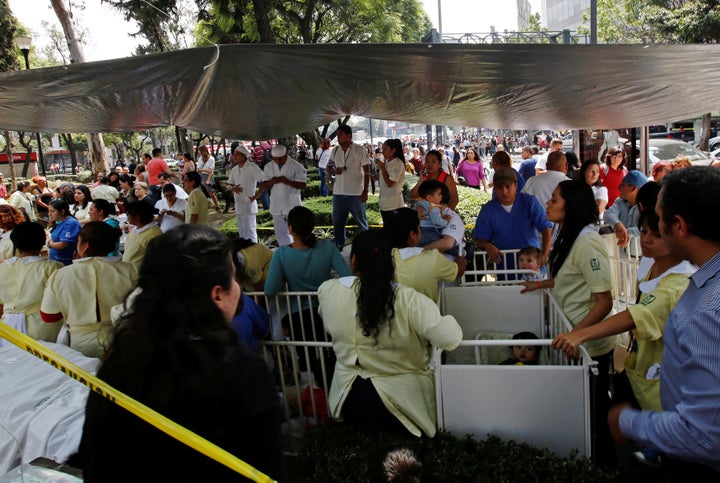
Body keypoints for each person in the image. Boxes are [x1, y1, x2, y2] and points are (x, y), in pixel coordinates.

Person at [78, 224, 285, 481]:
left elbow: (95, 460)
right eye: (234, 278)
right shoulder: (242, 371)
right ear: (217, 295)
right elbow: (263, 469)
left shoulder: (119, 362)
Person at [553, 207, 695, 468]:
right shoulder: (650, 265)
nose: (647, 239)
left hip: (665, 377)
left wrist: (580, 334)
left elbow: (634, 314)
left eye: (658, 235)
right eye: (643, 231)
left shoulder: (679, 283)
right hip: (642, 365)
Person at [608, 166, 720, 478]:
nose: (649, 230)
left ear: (679, 226)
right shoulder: (702, 285)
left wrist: (629, 422)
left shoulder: (706, 310)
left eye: (657, 220)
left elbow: (702, 435)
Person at [317, 229, 462, 437]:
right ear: (392, 260)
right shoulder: (410, 300)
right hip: (403, 402)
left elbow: (328, 320)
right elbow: (450, 339)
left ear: (354, 260)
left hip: (348, 396)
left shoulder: (328, 291)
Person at [520, 179, 616, 468]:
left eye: (554, 200)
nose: (547, 204)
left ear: (571, 206)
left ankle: (604, 466)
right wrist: (545, 284)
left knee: (596, 414)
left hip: (590, 347)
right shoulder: (569, 234)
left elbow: (604, 301)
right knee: (581, 409)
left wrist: (576, 335)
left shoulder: (587, 242)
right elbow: (570, 277)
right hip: (575, 340)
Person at [41, 221, 137, 358]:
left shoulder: (61, 274)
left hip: (80, 346)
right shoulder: (131, 270)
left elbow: (49, 316)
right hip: (122, 341)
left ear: (84, 246)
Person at [264, 206, 351, 351]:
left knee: (306, 361)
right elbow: (348, 277)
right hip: (328, 312)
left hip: (299, 317)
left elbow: (270, 289)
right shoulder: (327, 246)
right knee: (329, 356)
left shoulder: (282, 254)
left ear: (290, 228)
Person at [474, 168, 552, 271]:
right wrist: (487, 246)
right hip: (505, 268)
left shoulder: (529, 202)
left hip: (532, 268)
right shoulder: (488, 209)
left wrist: (544, 255)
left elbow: (546, 229)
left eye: (508, 187)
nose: (504, 192)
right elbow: (479, 239)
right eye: (500, 187)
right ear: (494, 189)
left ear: (515, 185)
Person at [0, 222, 64, 343]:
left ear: (15, 244)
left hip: (7, 325)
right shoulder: (53, 267)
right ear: (42, 242)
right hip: (43, 327)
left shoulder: (3, 268)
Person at [385, 207, 465, 303]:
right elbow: (458, 271)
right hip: (424, 316)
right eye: (420, 228)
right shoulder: (432, 258)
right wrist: (461, 260)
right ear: (412, 234)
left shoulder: (380, 258)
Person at [251, 144, 307, 246]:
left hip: (292, 205)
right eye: (274, 159)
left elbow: (303, 185)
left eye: (279, 159)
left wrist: (287, 181)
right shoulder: (268, 166)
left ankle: (299, 254)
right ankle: (286, 254)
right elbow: (265, 185)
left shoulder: (297, 166)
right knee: (281, 235)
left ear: (285, 156)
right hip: (276, 206)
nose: (276, 161)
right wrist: (272, 181)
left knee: (297, 234)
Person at [327, 125, 371, 250]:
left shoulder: (360, 150)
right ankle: (340, 246)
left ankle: (366, 248)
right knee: (338, 223)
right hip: (338, 193)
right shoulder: (335, 150)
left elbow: (367, 172)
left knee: (362, 223)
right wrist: (335, 171)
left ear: (349, 135)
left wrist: (365, 191)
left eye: (340, 134)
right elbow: (328, 167)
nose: (338, 137)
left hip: (356, 193)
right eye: (338, 135)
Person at [227, 145, 265, 243]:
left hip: (248, 205)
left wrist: (257, 195)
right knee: (242, 233)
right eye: (233, 154)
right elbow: (229, 184)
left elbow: (264, 180)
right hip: (238, 205)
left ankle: (254, 253)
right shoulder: (234, 169)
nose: (234, 157)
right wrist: (232, 188)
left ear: (244, 156)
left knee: (250, 232)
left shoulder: (252, 167)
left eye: (237, 155)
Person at [604, 170, 648, 248]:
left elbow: (647, 229)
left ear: (633, 188)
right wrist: (617, 224)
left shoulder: (647, 207)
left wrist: (625, 231)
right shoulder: (620, 201)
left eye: (623, 185)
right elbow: (608, 214)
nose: (619, 187)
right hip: (622, 257)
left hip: (641, 257)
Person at [416, 180, 455, 255]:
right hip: (430, 231)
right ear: (430, 198)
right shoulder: (433, 207)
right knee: (441, 244)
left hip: (419, 231)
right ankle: (459, 251)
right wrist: (445, 221)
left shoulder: (419, 205)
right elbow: (436, 221)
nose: (441, 196)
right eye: (439, 194)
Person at [122, 201, 162, 271]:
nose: (127, 217)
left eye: (128, 215)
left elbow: (158, 260)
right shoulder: (135, 229)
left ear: (136, 216)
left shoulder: (153, 234)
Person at [376, 139, 407, 225]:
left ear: (393, 150)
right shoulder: (386, 161)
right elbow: (383, 178)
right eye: (382, 149)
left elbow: (390, 183)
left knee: (394, 232)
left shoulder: (397, 163)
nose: (382, 152)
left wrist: (382, 168)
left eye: (385, 149)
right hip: (385, 204)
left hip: (394, 205)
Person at [46, 199, 82, 266]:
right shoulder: (59, 222)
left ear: (62, 212)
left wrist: (50, 244)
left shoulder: (71, 223)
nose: (49, 214)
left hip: (64, 261)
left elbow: (63, 244)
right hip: (55, 260)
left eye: (52, 211)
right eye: (49, 211)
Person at [196, 144, 222, 212]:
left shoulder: (211, 159)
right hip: (201, 175)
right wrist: (206, 170)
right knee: (202, 191)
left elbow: (211, 171)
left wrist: (208, 180)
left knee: (211, 192)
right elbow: (198, 169)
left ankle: (217, 206)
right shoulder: (200, 158)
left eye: (201, 151)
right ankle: (207, 204)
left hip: (208, 176)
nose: (200, 153)